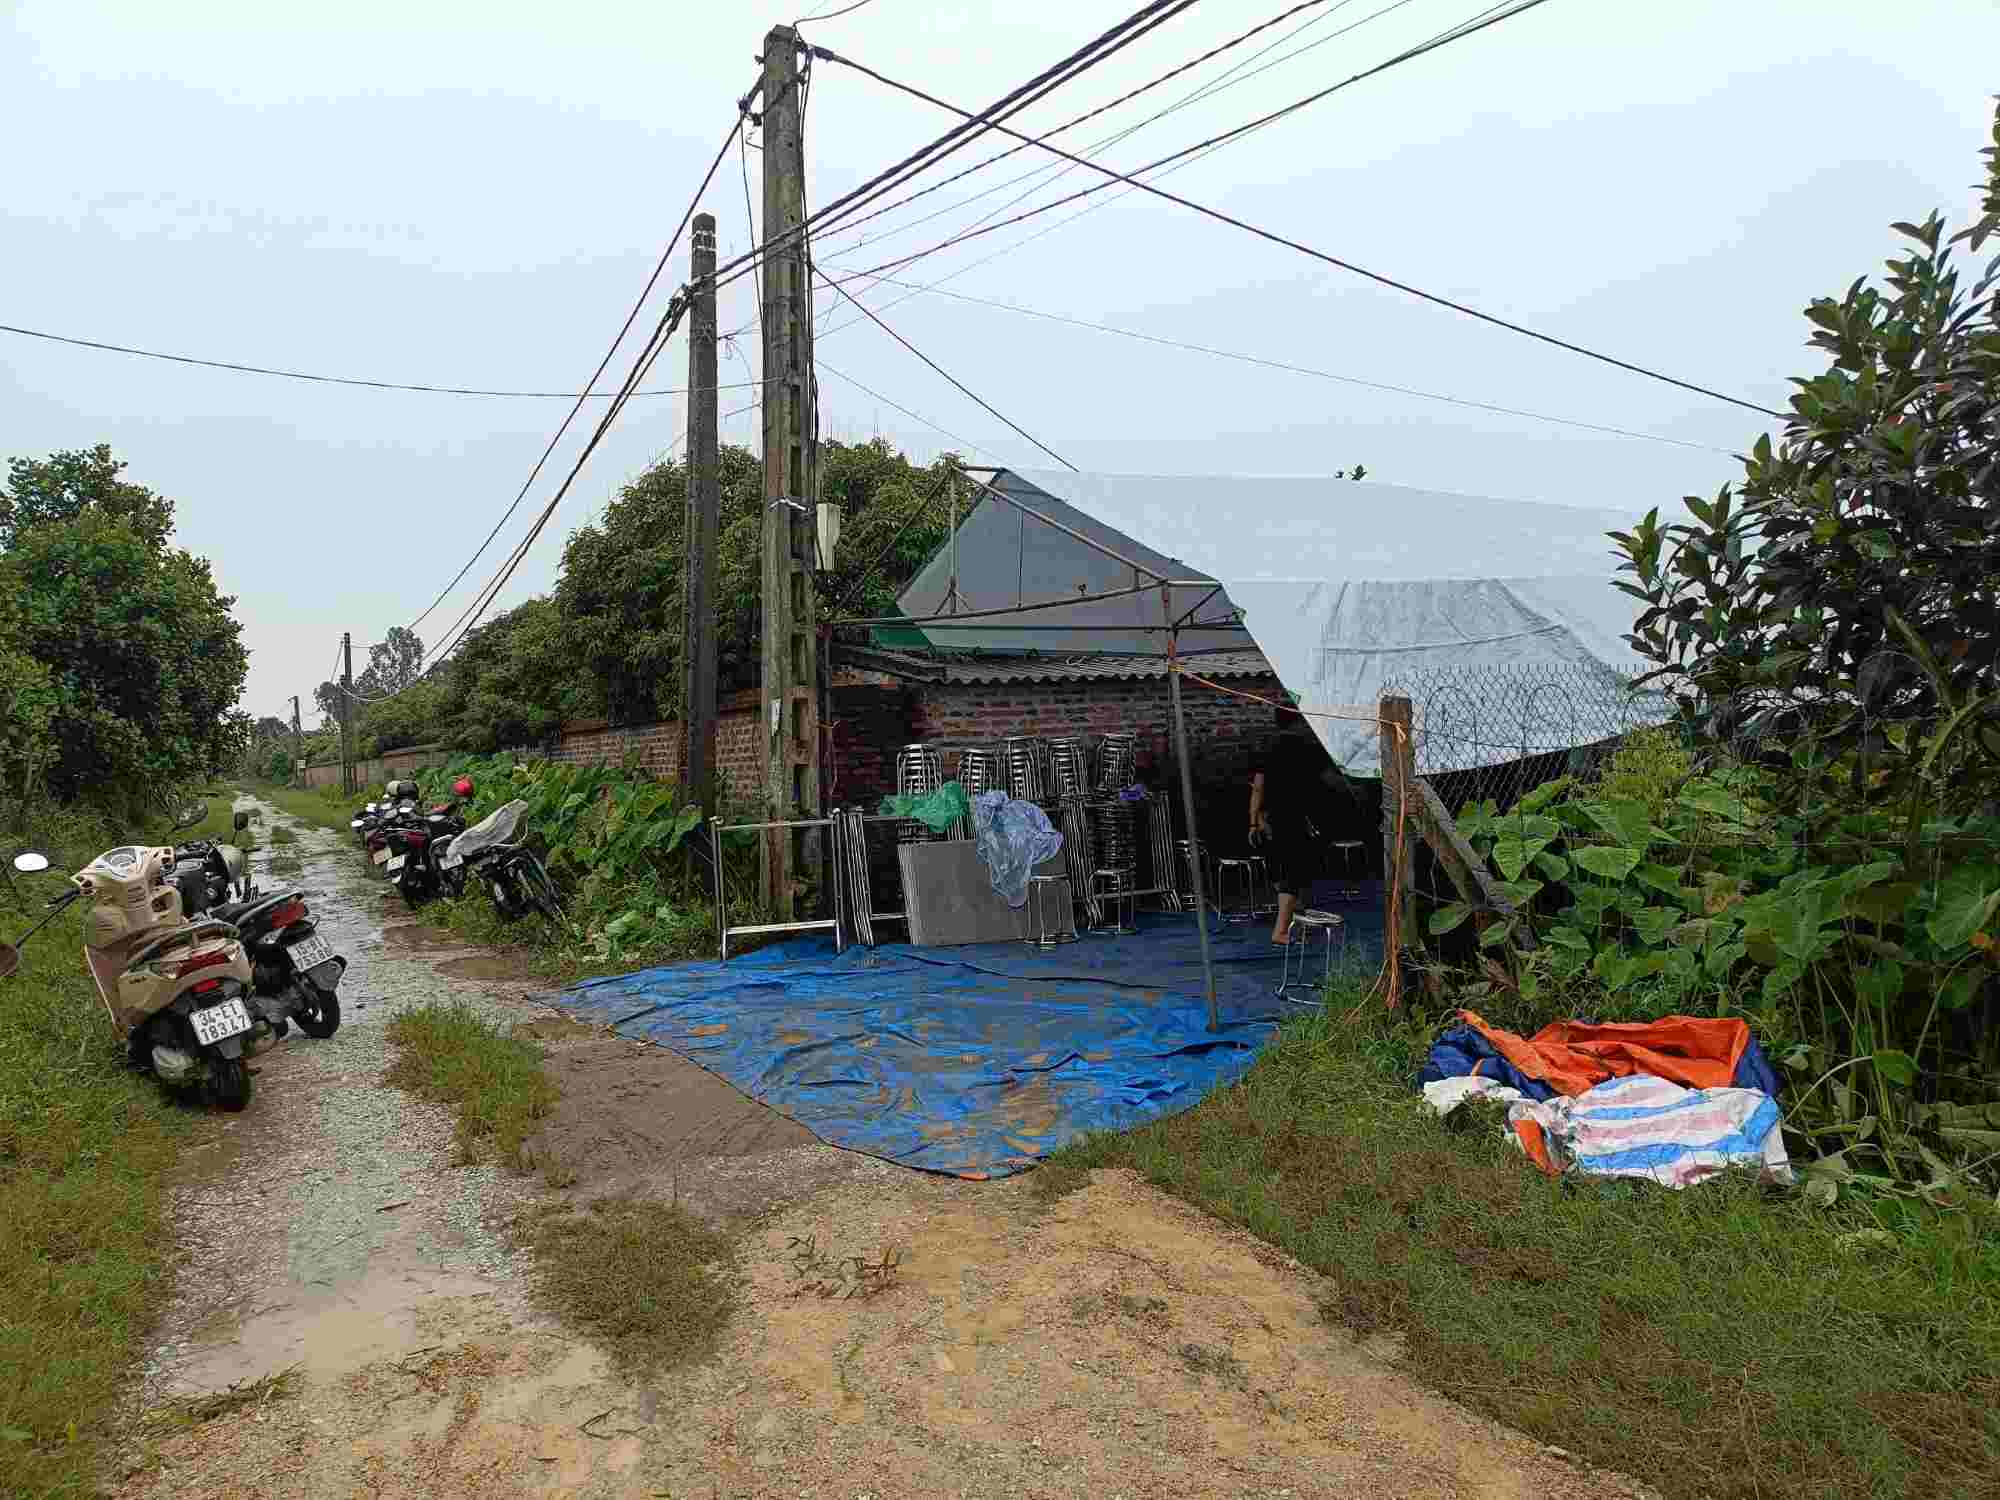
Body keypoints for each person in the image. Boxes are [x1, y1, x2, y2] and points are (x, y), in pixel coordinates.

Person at [1248, 703, 1325, 945]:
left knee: (1285, 870)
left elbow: (1257, 788)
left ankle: (1293, 923)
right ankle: (1281, 931)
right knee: (1293, 874)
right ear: (1300, 721)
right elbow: (1319, 786)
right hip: (1296, 817)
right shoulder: (1308, 748)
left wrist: (1253, 822)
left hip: (1271, 818)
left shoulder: (1266, 748)